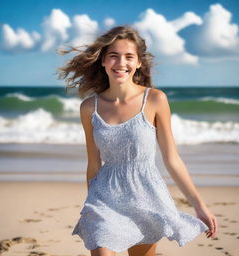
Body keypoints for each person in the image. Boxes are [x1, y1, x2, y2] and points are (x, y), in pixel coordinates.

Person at [56, 25, 218, 256]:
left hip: (145, 195)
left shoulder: (155, 100)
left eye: (128, 56)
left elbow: (172, 159)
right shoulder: (89, 108)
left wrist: (199, 205)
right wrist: (89, 204)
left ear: (139, 62)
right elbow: (93, 163)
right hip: (104, 197)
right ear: (103, 61)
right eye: (113, 56)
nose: (121, 63)